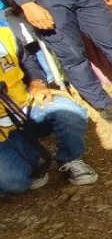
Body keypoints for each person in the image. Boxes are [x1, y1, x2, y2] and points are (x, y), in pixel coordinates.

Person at [0, 20, 100, 193]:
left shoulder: (5, 33)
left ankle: (70, 159)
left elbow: (27, 60)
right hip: (2, 129)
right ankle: (29, 156)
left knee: (70, 111)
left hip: (26, 106)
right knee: (15, 183)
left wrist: (37, 82)